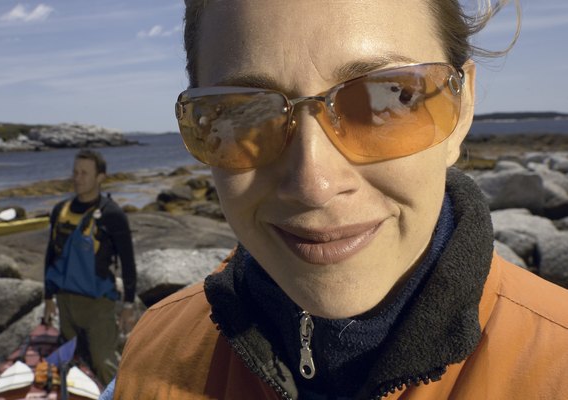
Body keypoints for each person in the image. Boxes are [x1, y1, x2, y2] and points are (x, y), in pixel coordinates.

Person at [105, 0, 568, 399]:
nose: (314, 183)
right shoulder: (154, 355)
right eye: (243, 112)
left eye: (388, 99)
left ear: (462, 107)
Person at [43, 149, 136, 386]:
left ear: (100, 177)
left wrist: (128, 305)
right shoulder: (60, 211)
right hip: (65, 302)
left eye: (85, 173)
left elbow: (127, 261)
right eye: (75, 172)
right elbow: (51, 255)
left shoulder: (112, 215)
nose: (77, 177)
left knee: (103, 362)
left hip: (98, 306)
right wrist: (48, 298)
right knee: (72, 363)